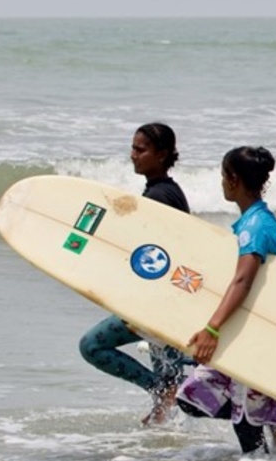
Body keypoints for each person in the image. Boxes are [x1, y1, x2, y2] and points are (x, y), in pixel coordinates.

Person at [175, 146, 276, 454]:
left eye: (222, 176)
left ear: (233, 179)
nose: (221, 183)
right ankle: (275, 415)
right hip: (244, 328)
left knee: (247, 431)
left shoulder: (255, 226)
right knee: (192, 398)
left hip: (252, 333)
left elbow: (244, 280)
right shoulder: (254, 221)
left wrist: (212, 329)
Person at [79, 122, 193, 425]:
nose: (133, 155)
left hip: (156, 304)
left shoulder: (158, 197)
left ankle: (162, 392)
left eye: (140, 149)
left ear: (162, 154)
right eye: (133, 148)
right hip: (169, 300)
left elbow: (155, 256)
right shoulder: (167, 191)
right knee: (168, 370)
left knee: (92, 346)